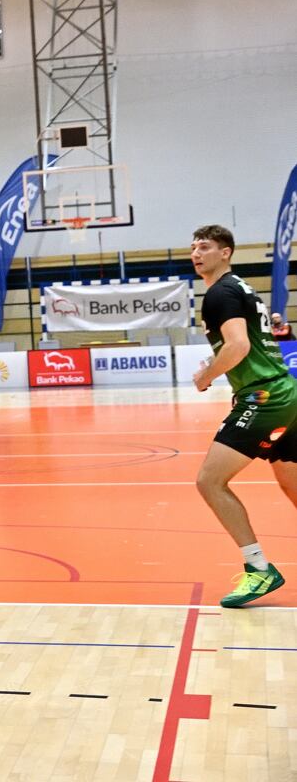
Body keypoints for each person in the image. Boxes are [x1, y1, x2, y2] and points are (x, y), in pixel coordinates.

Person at [189, 225, 297, 608]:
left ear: (226, 253)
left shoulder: (221, 292)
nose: (196, 253)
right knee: (293, 487)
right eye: (193, 247)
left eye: (205, 247)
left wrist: (206, 375)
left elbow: (238, 345)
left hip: (265, 398)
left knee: (209, 481)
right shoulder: (240, 288)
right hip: (285, 393)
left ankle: (259, 569)